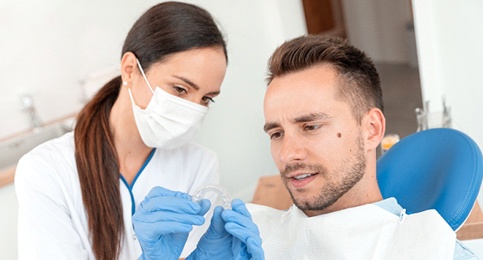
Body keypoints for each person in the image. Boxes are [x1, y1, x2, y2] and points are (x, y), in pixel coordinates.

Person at [15, 2, 231, 259]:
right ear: (130, 69)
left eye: (206, 98)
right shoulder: (47, 171)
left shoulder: (199, 164)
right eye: (180, 89)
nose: (192, 110)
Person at [242, 34, 477, 259]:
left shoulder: (432, 253)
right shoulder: (251, 239)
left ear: (371, 129)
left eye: (311, 127)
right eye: (277, 133)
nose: (287, 154)